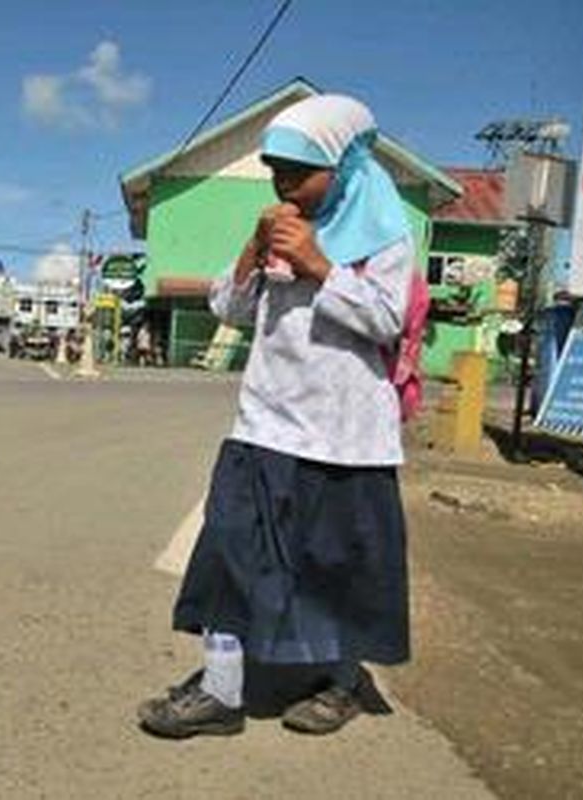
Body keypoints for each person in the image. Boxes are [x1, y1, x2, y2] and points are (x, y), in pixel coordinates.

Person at [138, 94, 414, 738]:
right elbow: (229, 311)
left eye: (299, 171)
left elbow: (387, 320)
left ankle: (340, 683)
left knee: (336, 568)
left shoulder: (384, 236)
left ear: (342, 166)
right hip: (262, 428)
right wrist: (251, 250)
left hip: (345, 440)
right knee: (227, 555)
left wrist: (320, 264)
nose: (284, 183)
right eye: (275, 170)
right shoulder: (276, 229)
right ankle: (221, 691)